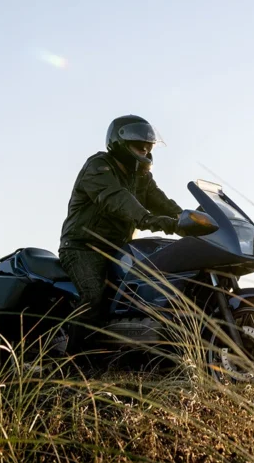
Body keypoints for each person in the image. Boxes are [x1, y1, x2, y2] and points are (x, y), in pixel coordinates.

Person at [59, 114, 183, 352]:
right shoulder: (98, 167)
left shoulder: (141, 177)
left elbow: (163, 202)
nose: (145, 150)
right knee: (93, 297)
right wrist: (147, 219)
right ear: (120, 142)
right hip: (82, 247)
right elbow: (117, 199)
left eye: (149, 146)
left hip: (119, 248)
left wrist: (188, 219)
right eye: (140, 145)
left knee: (146, 293)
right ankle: (73, 367)